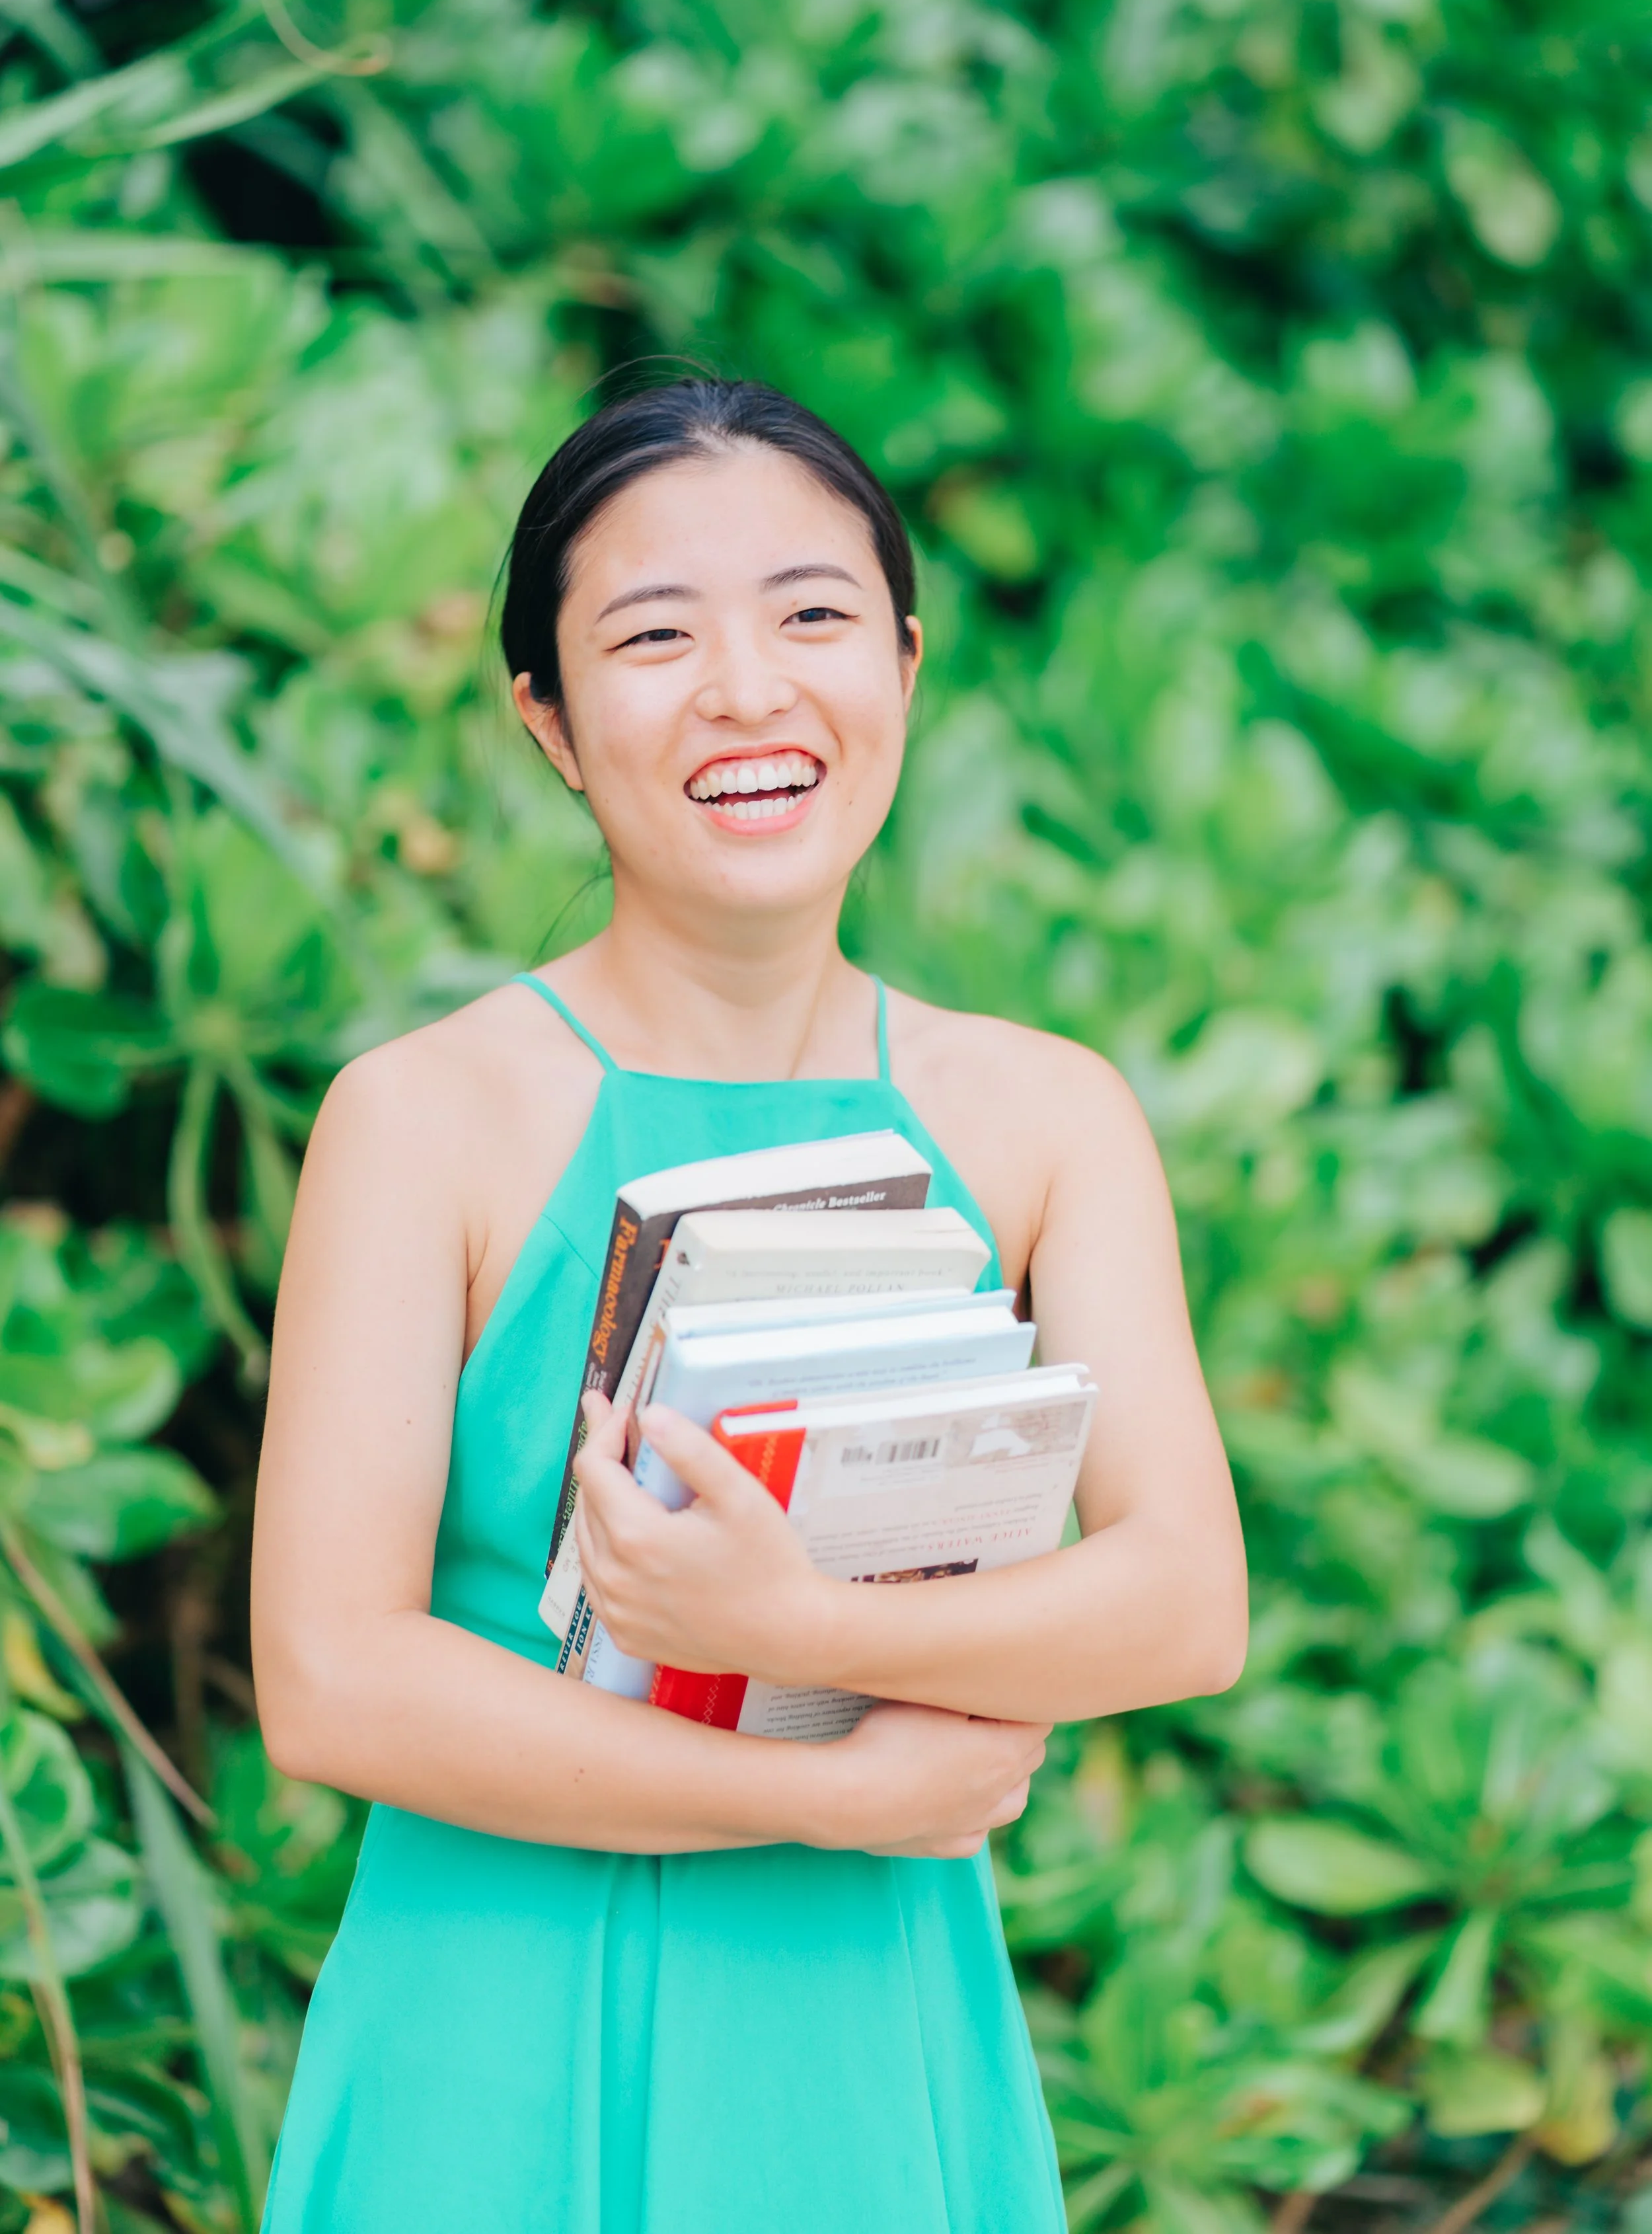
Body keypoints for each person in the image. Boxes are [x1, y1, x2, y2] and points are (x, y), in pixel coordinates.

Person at [250, 377, 1248, 2233]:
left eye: (810, 615)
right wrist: (826, 1796)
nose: (745, 688)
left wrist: (785, 1617)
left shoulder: (1040, 1114)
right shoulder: (426, 1118)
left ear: (905, 660)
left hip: (858, 2045)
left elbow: (1184, 1595)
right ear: (545, 719)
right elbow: (331, 1678)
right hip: (491, 2027)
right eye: (651, 635)